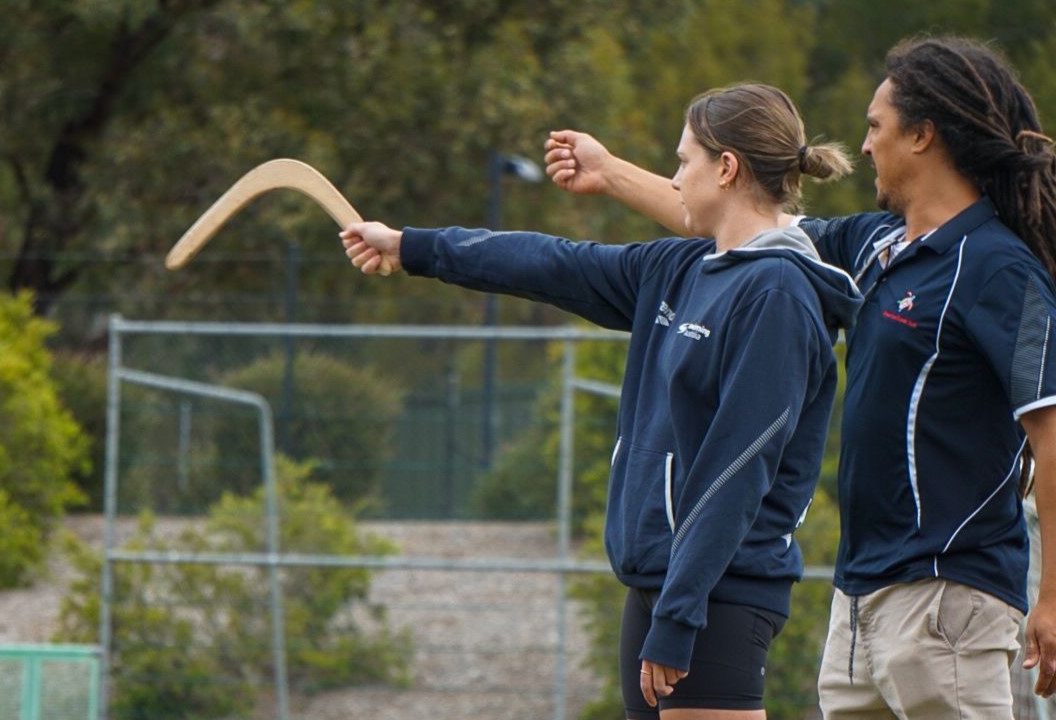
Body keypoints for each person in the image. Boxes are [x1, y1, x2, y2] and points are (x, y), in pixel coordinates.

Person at [542, 35, 1056, 719]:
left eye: (877, 127)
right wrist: (610, 174)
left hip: (948, 598)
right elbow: (735, 222)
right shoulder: (874, 246)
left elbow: (1051, 432)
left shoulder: (1001, 271)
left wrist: (1052, 593)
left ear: (924, 135)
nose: (865, 146)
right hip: (859, 597)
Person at [343, 83, 862, 719]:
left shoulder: (777, 295)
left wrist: (678, 616)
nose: (673, 180)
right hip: (657, 586)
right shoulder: (682, 267)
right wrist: (412, 246)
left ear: (726, 168)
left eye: (682, 162)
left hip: (716, 599)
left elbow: (737, 470)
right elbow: (550, 262)